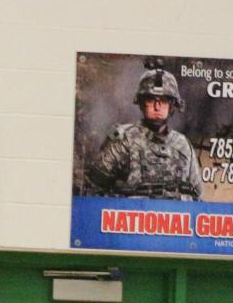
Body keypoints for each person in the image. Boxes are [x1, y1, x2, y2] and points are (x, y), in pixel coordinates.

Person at [85, 62, 202, 201]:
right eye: (151, 100)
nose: (157, 106)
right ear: (141, 103)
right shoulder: (124, 140)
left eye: (163, 101)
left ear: (172, 106)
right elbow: (92, 193)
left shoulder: (183, 146)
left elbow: (197, 198)